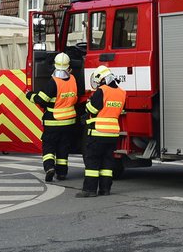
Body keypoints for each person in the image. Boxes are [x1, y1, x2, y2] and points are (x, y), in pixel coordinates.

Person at [25, 53, 78, 182]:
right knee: (63, 149)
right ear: (68, 65)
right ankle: (62, 173)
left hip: (53, 121)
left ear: (55, 64)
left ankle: (49, 168)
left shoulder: (53, 82)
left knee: (49, 147)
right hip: (69, 122)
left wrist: (29, 95)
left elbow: (41, 100)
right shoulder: (73, 80)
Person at [76, 65, 126, 198]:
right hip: (113, 133)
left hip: (98, 132)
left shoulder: (102, 91)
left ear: (101, 79)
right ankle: (105, 189)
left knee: (92, 161)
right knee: (107, 163)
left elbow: (92, 110)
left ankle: (89, 190)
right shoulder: (121, 92)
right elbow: (120, 111)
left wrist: (88, 103)